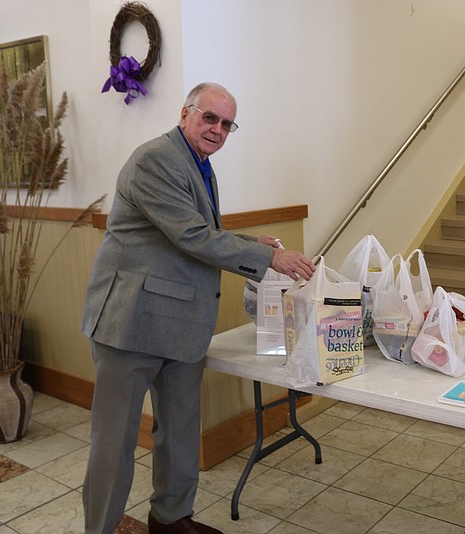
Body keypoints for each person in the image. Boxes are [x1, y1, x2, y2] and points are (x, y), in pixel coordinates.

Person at [80, 82, 315, 534]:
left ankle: (170, 519)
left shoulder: (199, 164)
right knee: (115, 443)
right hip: (131, 325)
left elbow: (191, 233)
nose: (218, 130)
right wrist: (270, 258)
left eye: (227, 124)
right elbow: (191, 236)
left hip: (182, 326)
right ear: (185, 113)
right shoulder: (155, 159)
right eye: (210, 118)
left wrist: (252, 243)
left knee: (181, 433)